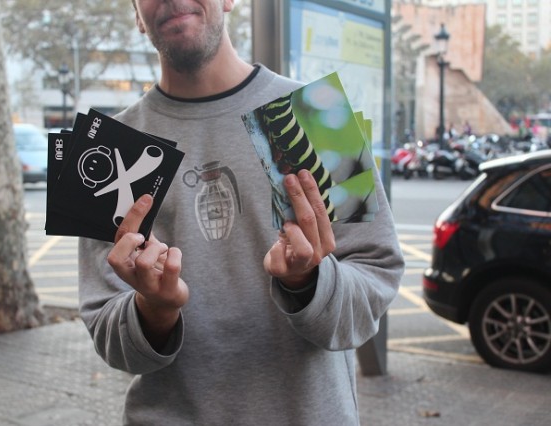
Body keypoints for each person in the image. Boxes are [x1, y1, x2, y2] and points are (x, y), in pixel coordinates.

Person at [78, 1, 405, 425]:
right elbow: (111, 342)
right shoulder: (107, 151)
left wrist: (309, 283)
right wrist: (153, 309)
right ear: (137, 15)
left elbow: (374, 287)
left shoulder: (318, 113)